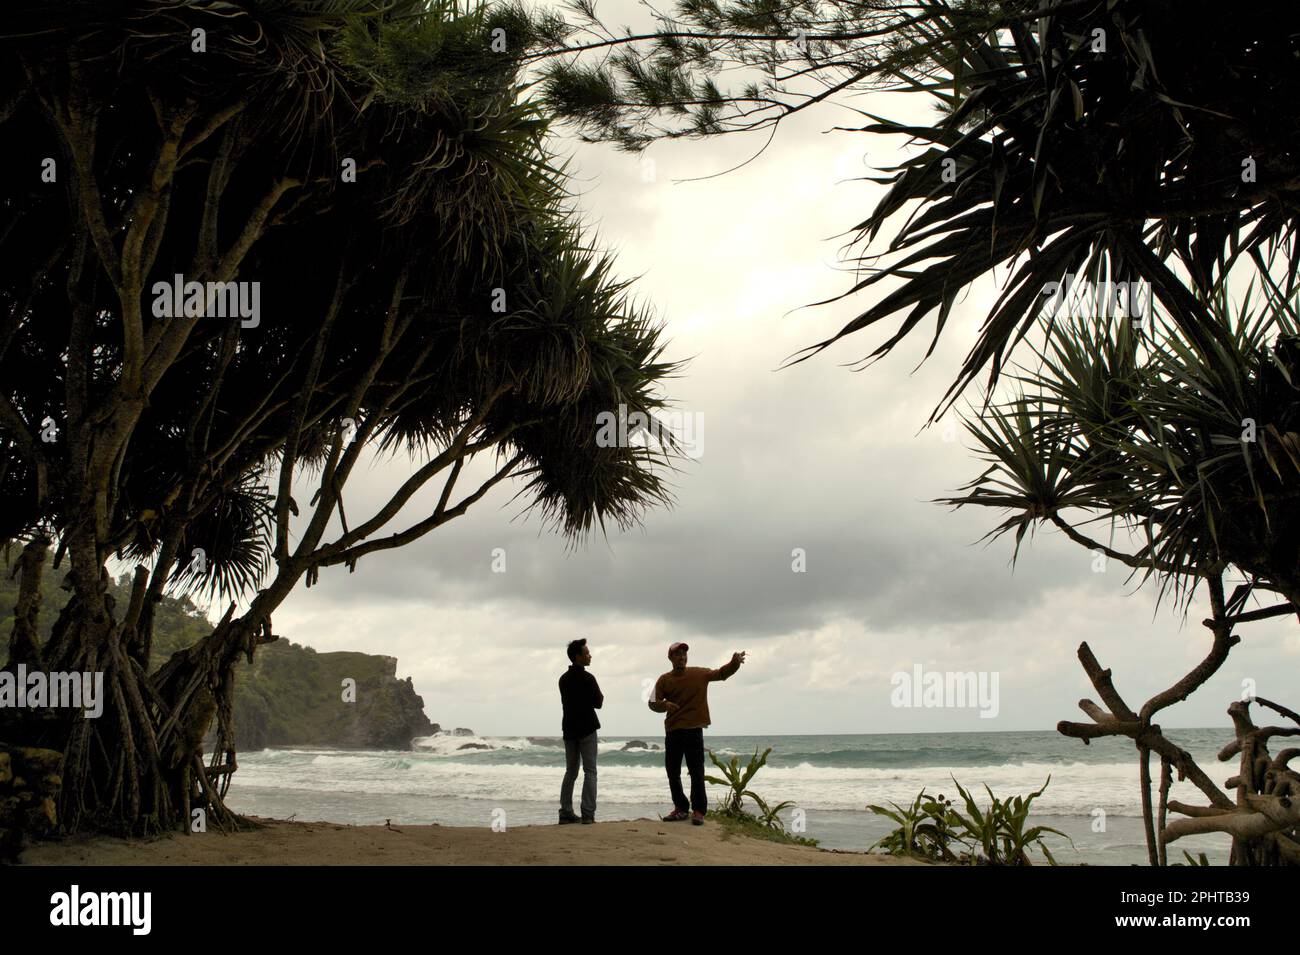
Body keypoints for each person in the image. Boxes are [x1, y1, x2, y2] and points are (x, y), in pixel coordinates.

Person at [647, 642, 745, 825]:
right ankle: (681, 809)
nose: (682, 657)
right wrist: (664, 705)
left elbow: (721, 674)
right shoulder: (664, 679)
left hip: (694, 731)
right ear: (670, 658)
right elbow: (652, 703)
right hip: (673, 731)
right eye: (678, 654)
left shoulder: (699, 674)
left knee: (697, 772)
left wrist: (735, 663)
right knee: (672, 772)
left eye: (684, 654)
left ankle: (698, 811)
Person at [559, 638, 602, 824]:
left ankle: (566, 811)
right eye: (586, 653)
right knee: (590, 771)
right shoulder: (588, 678)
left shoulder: (563, 679)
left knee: (571, 771)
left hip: (569, 729)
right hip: (587, 728)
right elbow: (598, 703)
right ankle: (588, 813)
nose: (590, 655)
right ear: (578, 657)